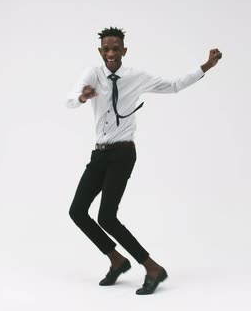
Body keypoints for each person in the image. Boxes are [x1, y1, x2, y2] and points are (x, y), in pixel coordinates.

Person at [66, 27, 222, 295]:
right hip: (100, 154)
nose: (111, 53)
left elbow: (173, 85)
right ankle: (117, 260)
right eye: (106, 49)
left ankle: (152, 267)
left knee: (107, 217)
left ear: (124, 51)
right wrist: (82, 96)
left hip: (123, 154)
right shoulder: (92, 74)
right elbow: (70, 100)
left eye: (116, 48)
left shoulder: (136, 77)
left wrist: (206, 66)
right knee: (77, 212)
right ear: (100, 51)